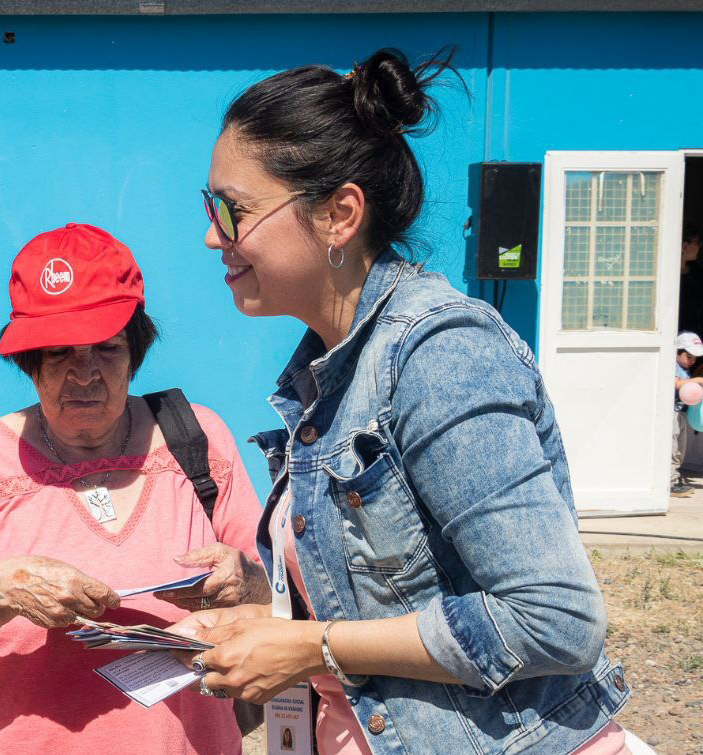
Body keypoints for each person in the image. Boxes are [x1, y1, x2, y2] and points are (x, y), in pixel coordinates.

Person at [169, 48, 648, 753]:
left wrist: (310, 645)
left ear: (339, 214)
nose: (212, 234)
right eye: (210, 205)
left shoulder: (441, 353)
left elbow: (554, 618)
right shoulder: (325, 374)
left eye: (233, 210)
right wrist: (257, 598)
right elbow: (388, 595)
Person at [0, 223, 267, 754]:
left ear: (136, 349)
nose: (83, 374)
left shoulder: (197, 440)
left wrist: (246, 584)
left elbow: (286, 599)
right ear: (28, 361)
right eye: (59, 352)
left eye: (106, 350)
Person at [671, 331, 703, 496]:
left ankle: (675, 479)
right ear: (677, 352)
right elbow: (676, 384)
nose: (692, 361)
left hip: (682, 414)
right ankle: (670, 482)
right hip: (672, 414)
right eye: (689, 356)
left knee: (680, 450)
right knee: (672, 448)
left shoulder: (686, 370)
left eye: (695, 358)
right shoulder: (673, 366)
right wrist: (698, 381)